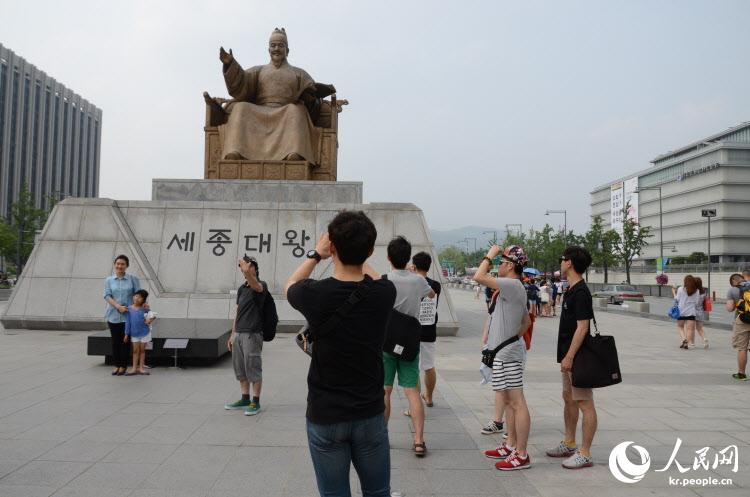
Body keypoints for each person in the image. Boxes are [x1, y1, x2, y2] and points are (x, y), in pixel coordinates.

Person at [285, 210, 396, 497]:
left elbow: (290, 286)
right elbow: (373, 276)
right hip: (370, 412)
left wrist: (316, 254)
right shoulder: (385, 293)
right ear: (370, 250)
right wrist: (359, 251)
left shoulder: (314, 294)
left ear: (331, 246)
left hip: (326, 414)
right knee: (378, 493)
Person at [210, 28, 335, 162]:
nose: (276, 49)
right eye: (273, 45)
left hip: (286, 111)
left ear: (287, 50)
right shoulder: (258, 71)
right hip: (259, 110)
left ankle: (294, 152)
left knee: (296, 110)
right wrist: (230, 64)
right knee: (241, 108)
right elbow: (241, 84)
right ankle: (236, 151)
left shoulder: (300, 74)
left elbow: (313, 95)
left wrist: (311, 97)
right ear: (268, 50)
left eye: (281, 46)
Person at [474, 245, 532, 470]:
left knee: (517, 402)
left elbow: (479, 276)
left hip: (508, 355)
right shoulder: (514, 288)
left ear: (509, 264)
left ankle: (522, 453)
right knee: (509, 401)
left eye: (500, 262)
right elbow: (526, 322)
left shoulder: (512, 284)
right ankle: (510, 445)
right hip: (503, 353)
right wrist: (506, 338)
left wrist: (489, 253)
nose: (498, 265)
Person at [381, 236, 436, 458]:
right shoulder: (418, 281)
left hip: (386, 342)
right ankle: (419, 440)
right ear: (408, 259)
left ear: (388, 258)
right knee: (413, 392)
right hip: (410, 343)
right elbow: (431, 294)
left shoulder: (384, 281)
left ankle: (382, 437)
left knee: (385, 390)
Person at [546, 246, 597, 469]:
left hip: (578, 357)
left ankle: (584, 452)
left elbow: (583, 327)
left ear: (569, 263)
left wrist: (569, 357)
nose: (560, 262)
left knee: (585, 403)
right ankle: (569, 442)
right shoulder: (571, 290)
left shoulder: (581, 292)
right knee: (568, 398)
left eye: (562, 258)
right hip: (568, 357)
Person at [224, 256, 267, 416]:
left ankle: (255, 402)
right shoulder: (242, 289)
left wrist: (246, 271)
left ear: (255, 268)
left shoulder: (261, 285)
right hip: (239, 333)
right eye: (244, 266)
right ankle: (244, 398)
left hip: (252, 334)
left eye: (250, 266)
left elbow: (256, 286)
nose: (246, 268)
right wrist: (232, 334)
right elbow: (238, 312)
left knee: (253, 367)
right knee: (240, 368)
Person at [412, 251, 442, 408]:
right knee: (429, 366)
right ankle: (429, 397)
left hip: (412, 330)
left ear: (414, 266)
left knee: (412, 367)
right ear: (429, 267)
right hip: (429, 331)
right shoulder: (436, 285)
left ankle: (415, 404)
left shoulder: (411, 282)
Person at [103, 255, 142, 376]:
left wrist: (138, 308)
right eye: (118, 264)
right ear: (115, 265)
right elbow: (107, 295)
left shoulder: (132, 279)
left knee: (125, 341)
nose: (120, 266)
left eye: (122, 264)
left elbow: (138, 295)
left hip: (128, 315)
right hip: (113, 314)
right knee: (115, 341)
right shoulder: (109, 280)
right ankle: (116, 364)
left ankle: (123, 366)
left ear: (127, 266)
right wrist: (118, 306)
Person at [123, 290, 155, 375]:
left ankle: (141, 368)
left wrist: (149, 319)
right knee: (135, 351)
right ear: (133, 296)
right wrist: (126, 334)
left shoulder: (145, 309)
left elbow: (153, 316)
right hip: (134, 334)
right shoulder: (129, 309)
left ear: (143, 300)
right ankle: (134, 368)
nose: (137, 298)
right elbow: (128, 322)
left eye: (140, 297)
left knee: (142, 351)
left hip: (144, 332)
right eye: (136, 296)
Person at [726, 273, 750, 381]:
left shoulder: (733, 290)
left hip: (742, 320)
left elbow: (730, 308)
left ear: (734, 282)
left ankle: (741, 373)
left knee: (742, 348)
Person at [673, 275, 701, 349]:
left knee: (680, 327)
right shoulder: (697, 291)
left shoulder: (680, 289)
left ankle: (684, 340)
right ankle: (686, 343)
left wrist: (673, 292)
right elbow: (697, 302)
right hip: (691, 312)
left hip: (681, 311)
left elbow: (677, 299)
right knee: (690, 329)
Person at [694, 277, 709, 349]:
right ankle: (704, 338)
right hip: (701, 312)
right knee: (700, 328)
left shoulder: (694, 292)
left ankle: (691, 342)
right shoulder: (703, 292)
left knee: (690, 328)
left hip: (693, 311)